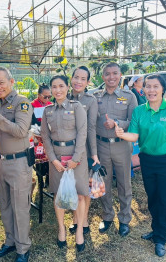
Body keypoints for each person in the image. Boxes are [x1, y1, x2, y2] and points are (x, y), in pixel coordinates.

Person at [115, 74, 166, 257]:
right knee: (153, 198)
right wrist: (122, 134)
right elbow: (134, 135)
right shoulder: (140, 111)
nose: (151, 90)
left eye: (155, 86)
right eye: (148, 86)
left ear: (162, 89)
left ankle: (160, 238)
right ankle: (156, 229)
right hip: (148, 161)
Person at [0, 66, 33, 262]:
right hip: (1, 162)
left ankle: (23, 248)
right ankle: (10, 241)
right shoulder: (0, 104)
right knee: (5, 205)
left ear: (11, 82)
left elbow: (21, 131)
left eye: (1, 82)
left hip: (18, 162)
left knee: (20, 207)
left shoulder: (22, 103)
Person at [40, 75, 88, 252]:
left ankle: (80, 231)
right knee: (58, 195)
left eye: (61, 86)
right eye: (54, 87)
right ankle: (61, 229)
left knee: (80, 195)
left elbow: (83, 133)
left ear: (68, 87)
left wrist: (76, 159)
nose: (58, 90)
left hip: (77, 156)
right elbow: (45, 136)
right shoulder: (48, 111)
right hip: (57, 158)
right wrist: (53, 160)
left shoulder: (77, 107)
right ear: (51, 90)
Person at [94, 62, 137, 237]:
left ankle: (125, 218)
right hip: (101, 146)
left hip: (121, 146)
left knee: (124, 183)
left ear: (120, 75)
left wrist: (118, 123)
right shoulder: (94, 97)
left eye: (115, 73)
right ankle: (108, 215)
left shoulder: (129, 96)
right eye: (107, 74)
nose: (111, 77)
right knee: (103, 183)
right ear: (102, 77)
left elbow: (134, 122)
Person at [68, 66, 100, 236]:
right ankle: (75, 219)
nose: (78, 81)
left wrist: (93, 153)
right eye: (76, 77)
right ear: (71, 78)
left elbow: (92, 128)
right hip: (66, 149)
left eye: (83, 79)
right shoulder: (63, 96)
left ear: (88, 82)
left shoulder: (90, 100)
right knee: (72, 186)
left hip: (85, 149)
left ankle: (84, 220)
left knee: (83, 187)